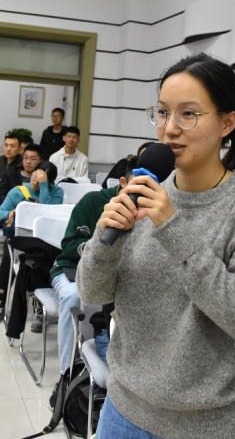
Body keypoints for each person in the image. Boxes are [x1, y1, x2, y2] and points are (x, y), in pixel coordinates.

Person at [77, 52, 235, 439]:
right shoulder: (145, 189)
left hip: (209, 425)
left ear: (227, 123)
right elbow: (92, 293)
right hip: (124, 411)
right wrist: (105, 242)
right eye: (162, 113)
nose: (169, 129)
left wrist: (172, 226)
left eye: (188, 114)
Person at [49, 157, 138, 406]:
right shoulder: (93, 201)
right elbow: (68, 247)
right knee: (74, 295)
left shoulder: (155, 209)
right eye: (138, 186)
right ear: (123, 182)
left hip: (119, 277)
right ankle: (66, 374)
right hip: (71, 267)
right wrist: (99, 246)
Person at [0, 160, 63, 324]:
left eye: (41, 179)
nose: (36, 180)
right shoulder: (18, 191)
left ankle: (39, 308)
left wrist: (44, 187)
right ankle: (0, 303)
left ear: (49, 182)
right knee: (8, 258)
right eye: (35, 175)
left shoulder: (56, 193)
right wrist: (10, 213)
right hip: (20, 239)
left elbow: (47, 212)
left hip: (43, 241)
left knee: (42, 262)